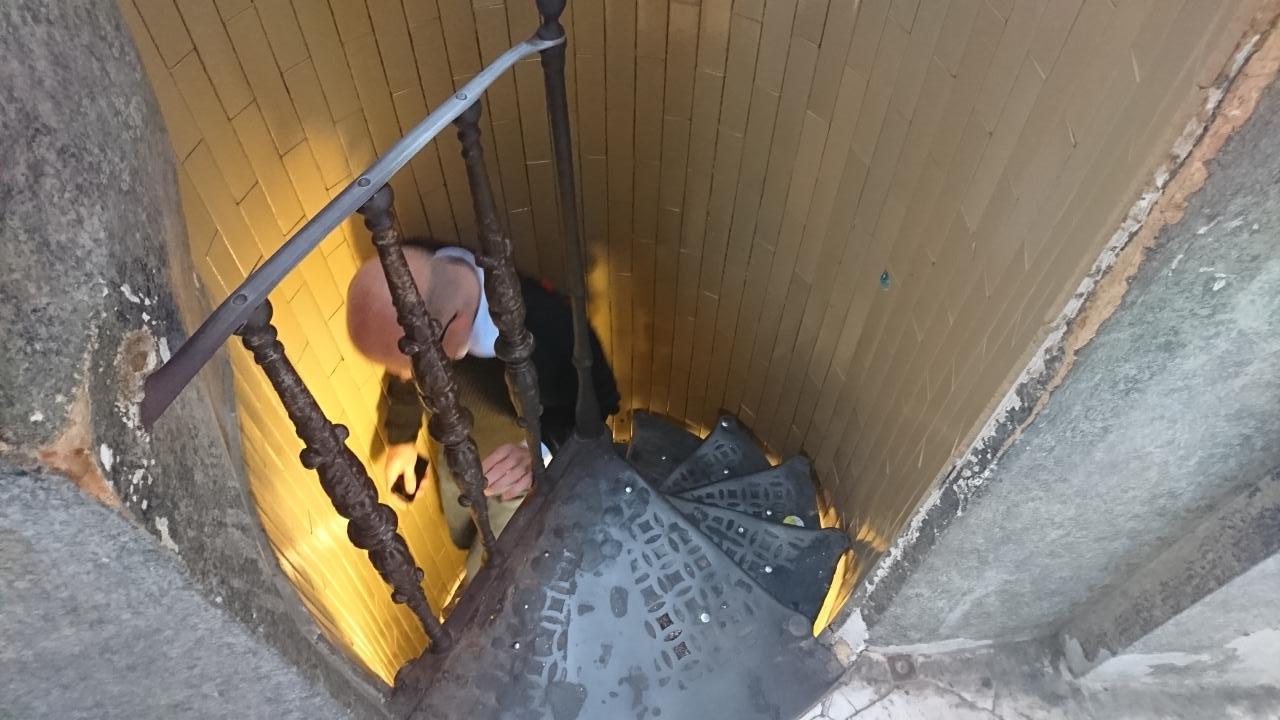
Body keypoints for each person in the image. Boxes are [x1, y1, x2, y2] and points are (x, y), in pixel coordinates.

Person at [345, 241, 619, 578]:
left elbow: (602, 403)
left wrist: (539, 450)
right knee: (461, 531)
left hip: (513, 478)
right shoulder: (421, 277)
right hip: (453, 452)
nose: (404, 377)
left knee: (496, 564)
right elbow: (402, 363)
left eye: (413, 369)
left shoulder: (553, 329)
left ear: (457, 324)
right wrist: (401, 437)